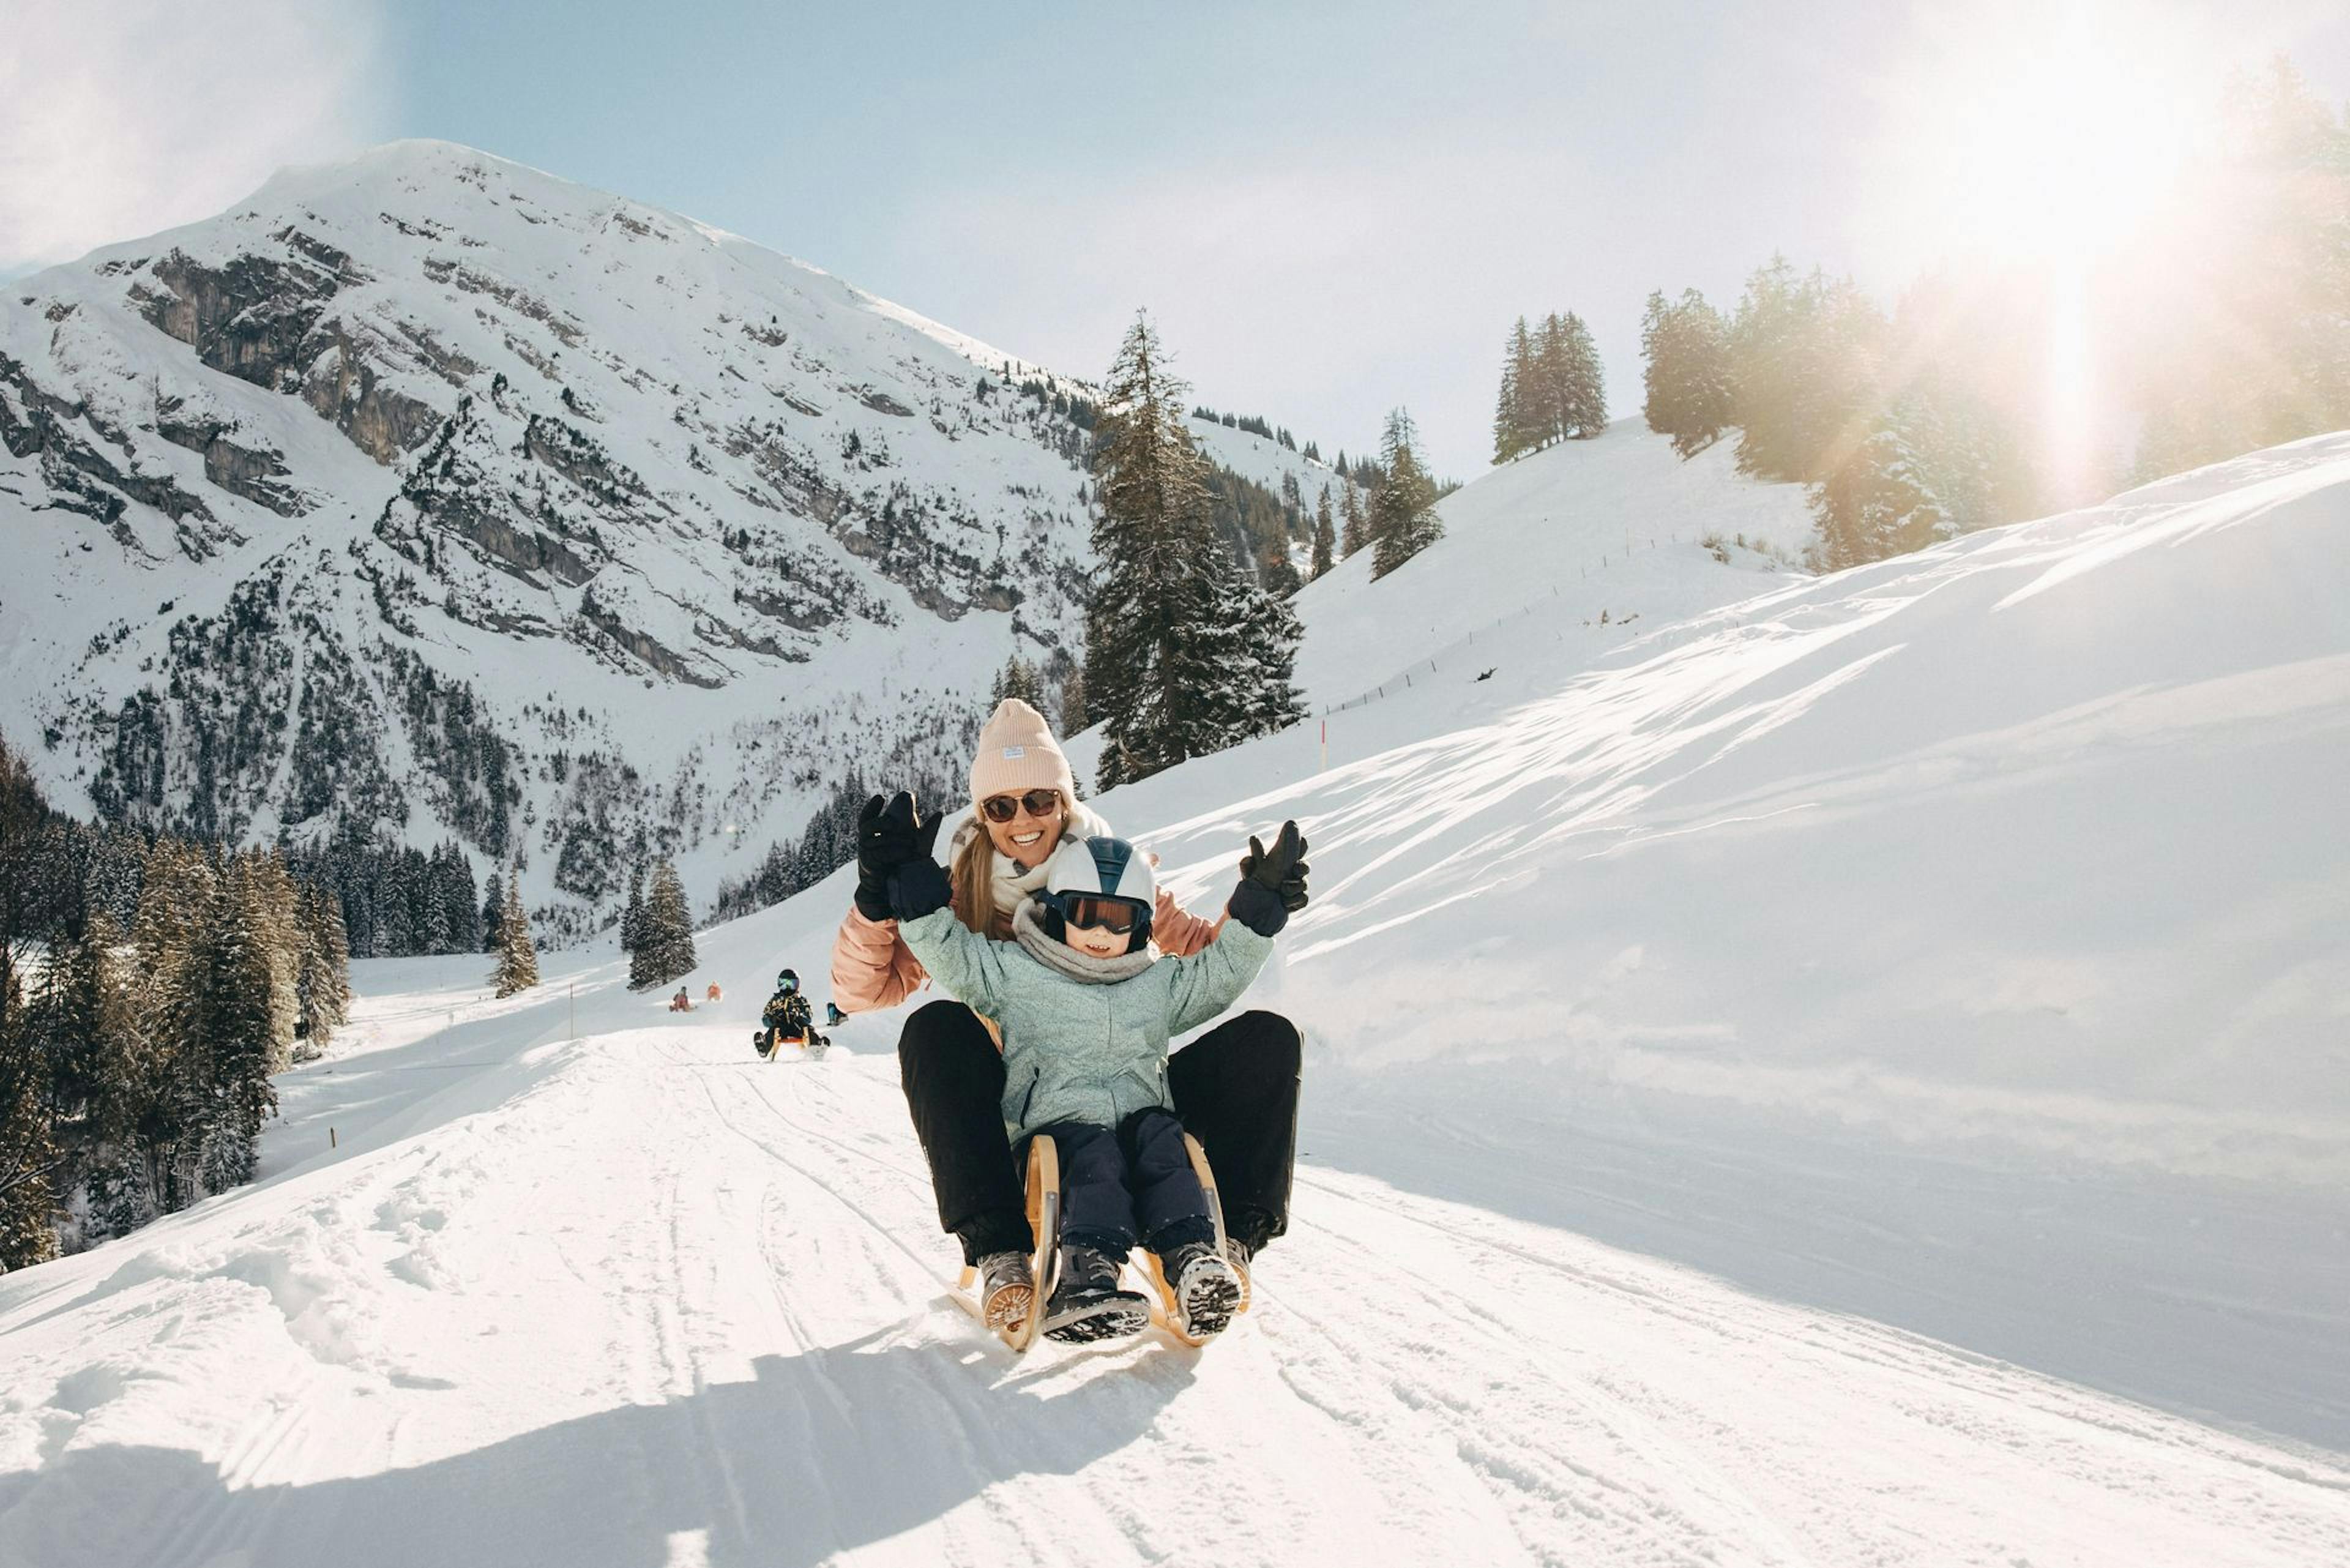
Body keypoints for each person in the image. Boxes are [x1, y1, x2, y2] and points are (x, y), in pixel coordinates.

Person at [831, 698, 1309, 1331]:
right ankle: (1002, 1249)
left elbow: (1203, 966)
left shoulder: (1116, 877)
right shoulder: (961, 893)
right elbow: (867, 991)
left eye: (1041, 800)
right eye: (1001, 807)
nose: (1023, 820)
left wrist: (1256, 907)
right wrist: (884, 901)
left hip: (1138, 1094)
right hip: (1028, 1103)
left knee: (1268, 1039)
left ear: (1064, 800)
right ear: (983, 814)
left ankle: (1223, 1247)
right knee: (935, 1028)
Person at [881, 825, 1304, 1342]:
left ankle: (1196, 1259)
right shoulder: (1016, 972)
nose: (1103, 933)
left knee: (1165, 1149)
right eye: (1087, 914)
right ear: (1059, 910)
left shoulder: (1156, 983)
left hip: (1145, 1121)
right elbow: (953, 954)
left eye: (1120, 919)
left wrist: (1258, 909)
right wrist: (915, 892)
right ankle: (1087, 1277)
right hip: (1059, 1133)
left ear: (1143, 926)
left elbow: (1216, 974)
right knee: (1098, 1157)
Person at [756, 969, 821, 1058]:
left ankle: (817, 1046)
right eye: (784, 984)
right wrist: (772, 1019)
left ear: (797, 985)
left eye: (791, 985)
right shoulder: (776, 1000)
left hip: (797, 1028)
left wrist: (799, 1015)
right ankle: (764, 1047)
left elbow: (809, 1017)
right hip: (781, 1029)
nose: (788, 988)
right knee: (774, 1029)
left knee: (808, 1029)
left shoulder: (800, 1000)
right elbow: (765, 1017)